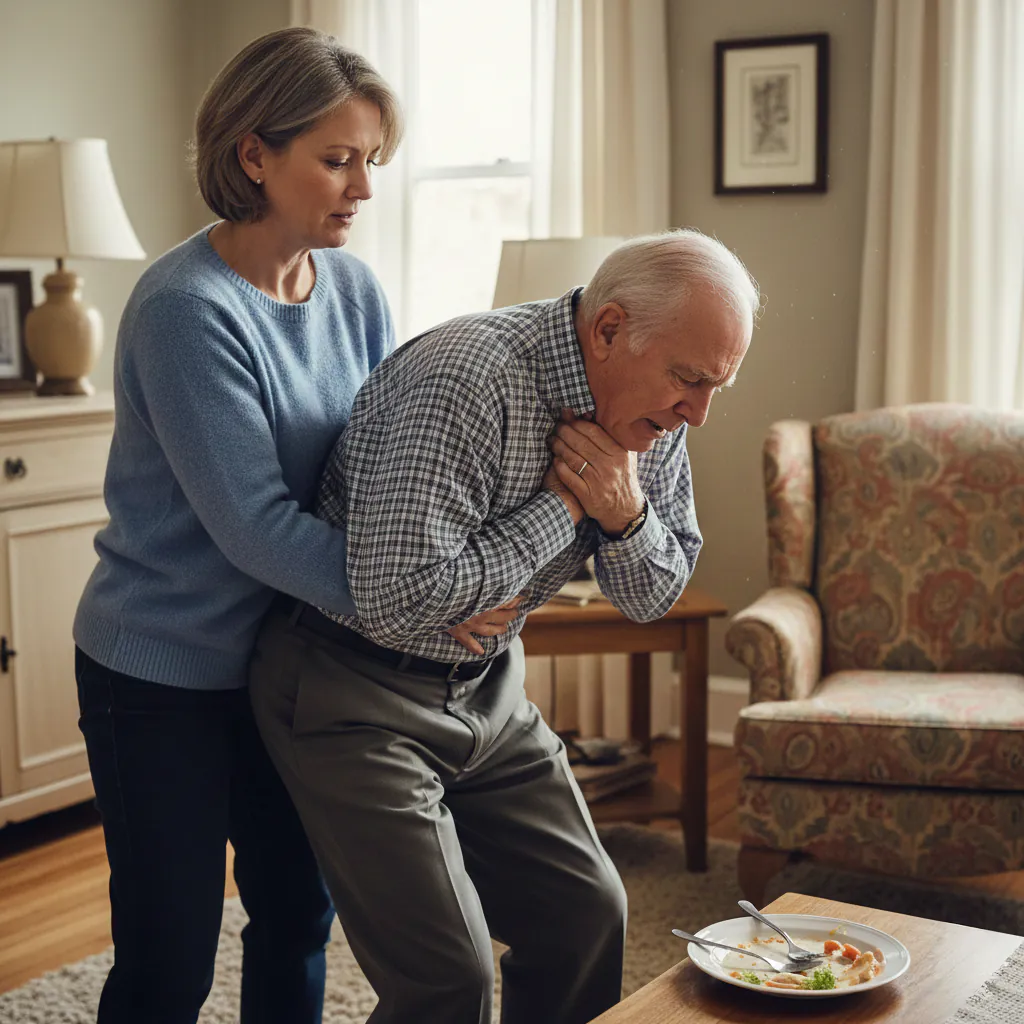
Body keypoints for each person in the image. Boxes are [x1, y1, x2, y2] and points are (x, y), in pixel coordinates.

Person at [71, 27, 515, 1024]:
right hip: (163, 675)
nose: (364, 187)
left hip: (294, 662)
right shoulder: (185, 309)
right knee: (168, 963)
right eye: (338, 159)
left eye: (372, 160)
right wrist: (423, 605)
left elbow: (378, 463)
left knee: (296, 918)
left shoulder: (352, 287)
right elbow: (259, 528)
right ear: (253, 156)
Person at [249, 229, 759, 1024]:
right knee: (448, 977)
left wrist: (624, 512)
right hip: (350, 693)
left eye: (716, 386)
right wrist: (566, 508)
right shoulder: (466, 377)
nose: (699, 412)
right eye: (690, 380)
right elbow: (398, 599)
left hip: (487, 688)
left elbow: (653, 593)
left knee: (587, 914)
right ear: (609, 329)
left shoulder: (653, 419)